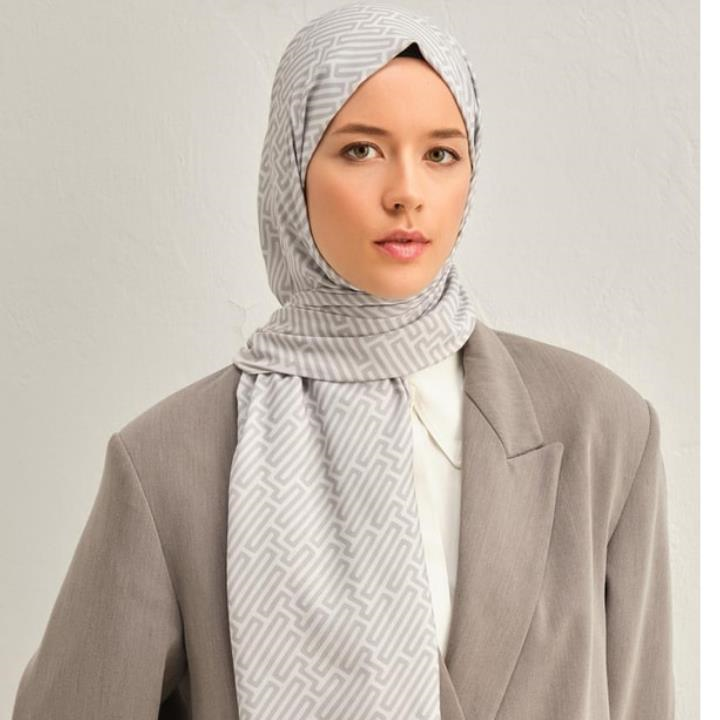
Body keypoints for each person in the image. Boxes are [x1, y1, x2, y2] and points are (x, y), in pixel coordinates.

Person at [12, 3, 675, 719]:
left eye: (441, 154)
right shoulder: (171, 461)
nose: (407, 193)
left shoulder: (600, 428)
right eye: (361, 150)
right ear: (293, 169)